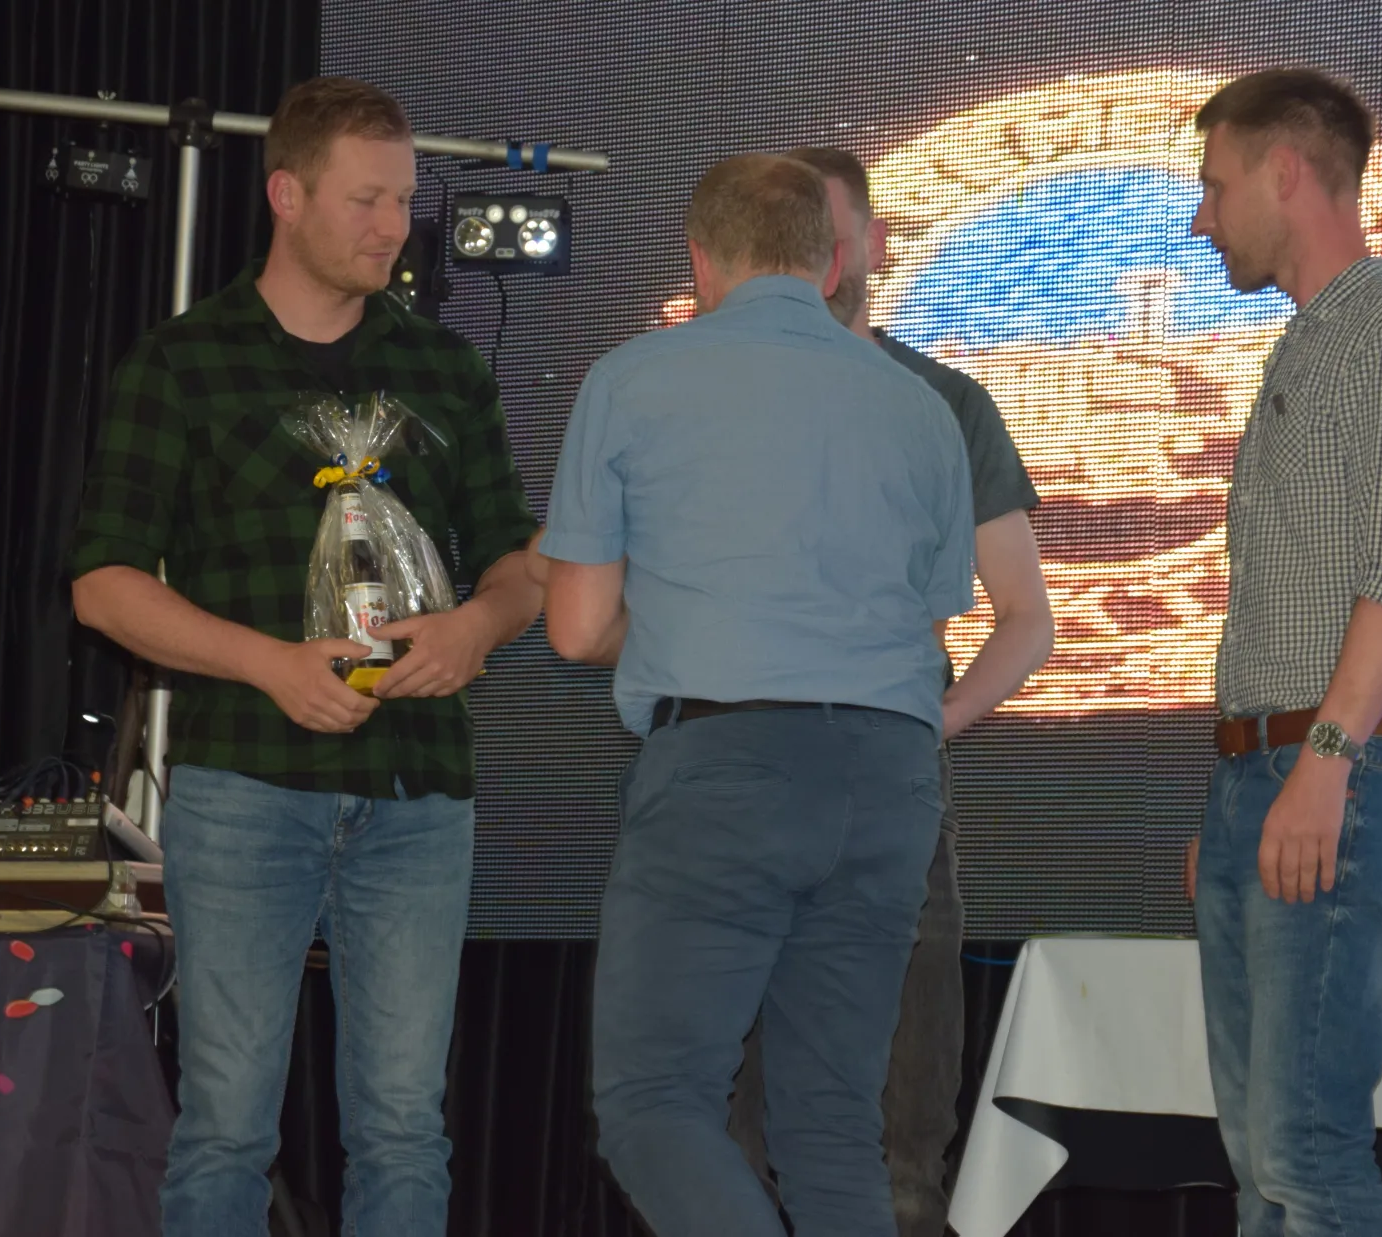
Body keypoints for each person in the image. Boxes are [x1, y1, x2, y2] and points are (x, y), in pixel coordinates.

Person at [69, 77, 541, 1237]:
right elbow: (103, 584)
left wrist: (475, 627)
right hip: (245, 786)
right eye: (365, 200)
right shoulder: (183, 364)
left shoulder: (445, 370)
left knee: (404, 1125)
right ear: (286, 195)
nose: (394, 227)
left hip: (418, 792)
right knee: (227, 1123)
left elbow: (521, 564)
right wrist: (271, 664)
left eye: (405, 201)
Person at [536, 153, 976, 1237]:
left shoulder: (632, 380)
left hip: (726, 768)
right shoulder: (921, 406)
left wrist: (681, 616)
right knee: (832, 1125)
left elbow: (576, 627)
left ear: (700, 260)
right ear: (831, 264)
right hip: (889, 780)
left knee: (654, 1103)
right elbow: (931, 622)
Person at [719, 145, 1054, 1237]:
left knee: (903, 1135)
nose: (817, 259)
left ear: (870, 243)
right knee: (724, 1129)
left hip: (891, 792)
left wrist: (934, 720)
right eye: (791, 239)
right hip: (733, 780)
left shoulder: (942, 401)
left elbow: (1026, 616)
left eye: (831, 235)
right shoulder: (709, 393)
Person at [1183, 68, 1382, 1236]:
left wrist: (1317, 763)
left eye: (1214, 188)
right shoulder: (1306, 347)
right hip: (1272, 773)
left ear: (1285, 173)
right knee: (1262, 1158)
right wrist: (1242, 788)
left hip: (1344, 770)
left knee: (1303, 1153)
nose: (1200, 219)